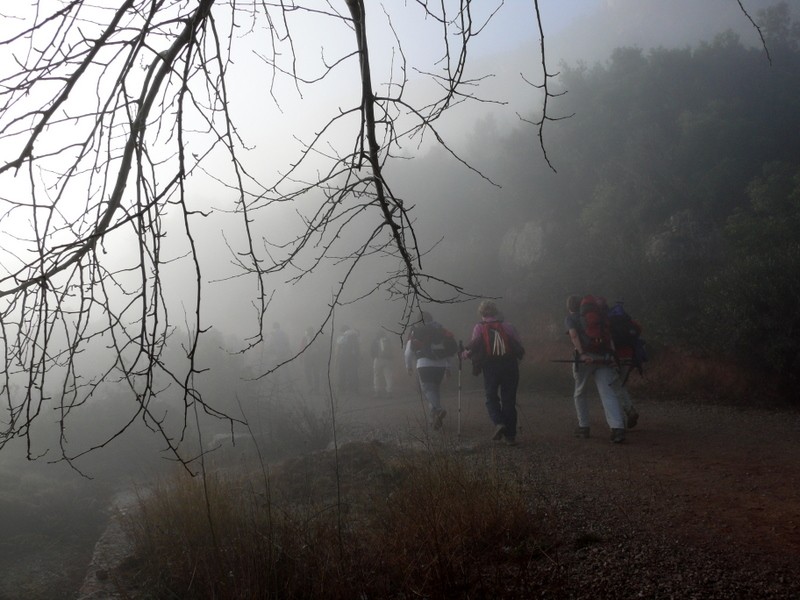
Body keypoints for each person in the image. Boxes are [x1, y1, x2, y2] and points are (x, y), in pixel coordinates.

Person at [565, 294, 627, 443]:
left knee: (580, 392)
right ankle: (617, 429)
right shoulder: (598, 317)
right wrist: (612, 356)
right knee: (608, 392)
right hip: (604, 357)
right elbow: (608, 336)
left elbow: (574, 336)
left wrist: (582, 354)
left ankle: (584, 427)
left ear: (569, 307)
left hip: (585, 360)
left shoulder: (570, 318)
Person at [463, 300, 525, 446]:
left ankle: (498, 422)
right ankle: (510, 436)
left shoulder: (479, 328)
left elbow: (474, 347)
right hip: (510, 365)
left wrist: (463, 355)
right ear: (496, 312)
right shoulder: (508, 327)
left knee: (491, 397)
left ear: (482, 313)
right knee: (509, 400)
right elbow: (519, 346)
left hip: (490, 367)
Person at [404, 311, 451, 430]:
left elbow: (408, 352)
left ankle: (438, 409)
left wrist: (408, 366)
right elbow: (448, 349)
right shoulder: (439, 329)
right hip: (440, 365)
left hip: (424, 364)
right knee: (434, 390)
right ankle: (433, 418)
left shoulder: (416, 330)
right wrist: (448, 367)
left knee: (428, 389)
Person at [335, 325, 361, 394]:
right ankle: (354, 389)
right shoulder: (356, 336)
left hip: (343, 357)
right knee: (353, 373)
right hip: (354, 358)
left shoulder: (342, 337)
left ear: (343, 330)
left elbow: (338, 348)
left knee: (342, 373)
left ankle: (341, 388)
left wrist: (336, 359)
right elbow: (358, 347)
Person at [371, 330, 395, 399]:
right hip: (388, 360)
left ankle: (377, 392)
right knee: (388, 376)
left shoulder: (375, 341)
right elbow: (392, 349)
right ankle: (389, 392)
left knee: (377, 376)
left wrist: (374, 357)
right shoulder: (388, 340)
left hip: (378, 359)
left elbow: (371, 350)